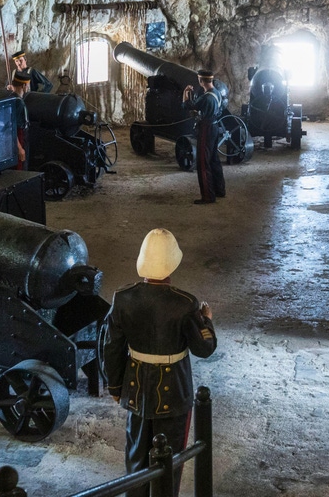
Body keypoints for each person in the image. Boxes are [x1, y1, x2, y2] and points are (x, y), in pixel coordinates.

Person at [102, 229, 217, 497]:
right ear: (172, 264)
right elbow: (205, 348)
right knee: (170, 462)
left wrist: (115, 387)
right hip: (174, 394)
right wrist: (207, 319)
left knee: (136, 458)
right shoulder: (186, 303)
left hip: (136, 391)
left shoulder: (122, 298)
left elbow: (111, 348)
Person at [182, 69, 225, 204]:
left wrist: (185, 92)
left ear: (201, 81)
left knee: (202, 163)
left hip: (206, 129)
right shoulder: (216, 93)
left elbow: (187, 106)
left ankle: (207, 196)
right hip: (215, 127)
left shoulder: (206, 97)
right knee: (214, 160)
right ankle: (219, 190)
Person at [6, 71, 31, 169]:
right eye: (27, 85)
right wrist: (20, 148)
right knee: (20, 168)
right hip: (20, 137)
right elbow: (11, 126)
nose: (28, 88)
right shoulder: (18, 103)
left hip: (21, 136)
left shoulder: (11, 98)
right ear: (24, 85)